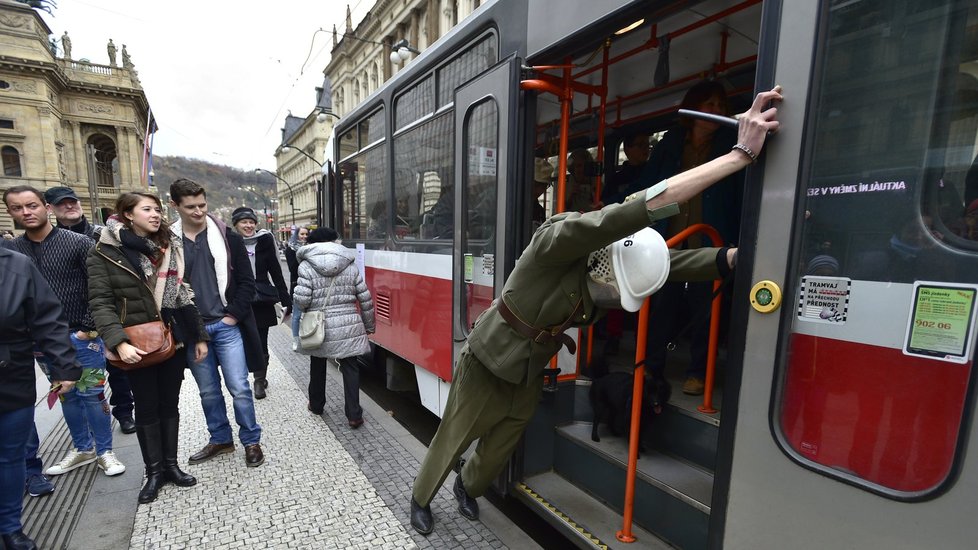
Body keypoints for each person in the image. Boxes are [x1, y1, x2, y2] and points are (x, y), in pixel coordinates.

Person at [408, 86, 782, 536]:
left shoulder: (611, 262)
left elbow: (665, 264)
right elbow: (631, 212)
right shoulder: (556, 242)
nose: (612, 294)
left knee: (503, 440)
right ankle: (421, 496)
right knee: (458, 432)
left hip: (529, 367)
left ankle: (468, 488)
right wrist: (738, 155)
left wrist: (729, 259)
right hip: (490, 356)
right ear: (608, 255)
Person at [87, 193, 206, 505]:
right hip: (135, 344)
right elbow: (100, 302)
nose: (155, 215)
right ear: (128, 214)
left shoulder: (169, 246)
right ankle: (153, 473)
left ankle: (171, 467)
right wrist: (118, 342)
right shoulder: (106, 249)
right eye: (147, 209)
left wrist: (199, 336)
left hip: (171, 339)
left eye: (157, 210)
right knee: (146, 406)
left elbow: (184, 294)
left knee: (169, 404)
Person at [3, 186, 125, 482]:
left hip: (80, 335)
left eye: (31, 205)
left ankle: (104, 451)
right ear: (10, 213)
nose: (26, 212)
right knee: (66, 395)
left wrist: (89, 329)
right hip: (38, 342)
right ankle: (83, 448)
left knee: (92, 394)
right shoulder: (12, 251)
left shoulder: (78, 243)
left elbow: (98, 288)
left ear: (45, 207)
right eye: (18, 208)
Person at [639, 80, 745, 396]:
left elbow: (738, 197)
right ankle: (650, 367)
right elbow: (647, 187)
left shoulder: (731, 147)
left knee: (706, 312)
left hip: (710, 240)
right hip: (669, 239)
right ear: (693, 108)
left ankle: (698, 371)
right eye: (709, 105)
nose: (715, 111)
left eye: (720, 107)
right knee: (661, 309)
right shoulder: (671, 145)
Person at [168, 179, 265, 468]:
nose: (198, 211)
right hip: (192, 329)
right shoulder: (167, 241)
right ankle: (221, 439)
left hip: (225, 326)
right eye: (191, 207)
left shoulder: (227, 237)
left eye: (202, 205)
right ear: (175, 206)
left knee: (239, 387)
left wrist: (231, 316)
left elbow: (248, 283)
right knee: (208, 391)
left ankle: (251, 440)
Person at [1, 247, 80, 550]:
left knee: (9, 456)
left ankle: (9, 527)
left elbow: (48, 320)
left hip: (10, 375)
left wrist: (64, 367)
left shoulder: (16, 265)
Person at [44, 186, 135, 434]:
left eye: (72, 201)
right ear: (50, 209)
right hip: (72, 320)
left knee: (118, 368)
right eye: (62, 203)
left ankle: (125, 413)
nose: (70, 206)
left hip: (107, 312)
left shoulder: (100, 234)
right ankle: (86, 427)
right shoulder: (49, 240)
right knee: (77, 376)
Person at [293, 227, 376, 427]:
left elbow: (302, 301)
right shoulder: (350, 264)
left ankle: (316, 404)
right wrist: (369, 325)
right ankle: (354, 415)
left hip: (320, 325)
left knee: (318, 363)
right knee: (350, 367)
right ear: (334, 242)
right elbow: (365, 299)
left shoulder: (306, 266)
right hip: (349, 323)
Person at [231, 207, 291, 399]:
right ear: (236, 225)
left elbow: (276, 271)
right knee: (239, 341)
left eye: (251, 222)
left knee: (260, 341)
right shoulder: (229, 243)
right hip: (239, 299)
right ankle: (241, 377)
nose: (248, 226)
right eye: (244, 222)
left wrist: (285, 300)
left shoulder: (265, 241)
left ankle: (259, 380)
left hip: (262, 299)